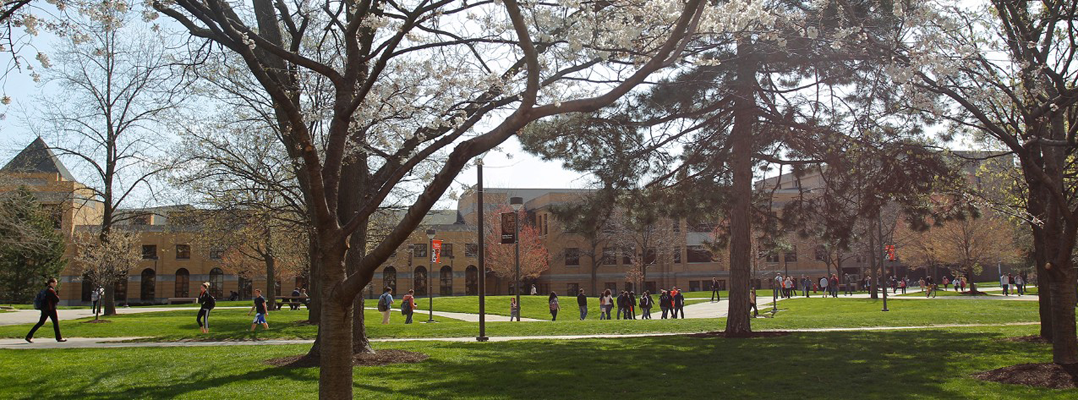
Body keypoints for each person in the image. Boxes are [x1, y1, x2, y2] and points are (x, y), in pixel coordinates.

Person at [26, 278, 65, 343]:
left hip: (44, 309)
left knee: (41, 322)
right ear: (51, 283)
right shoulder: (51, 290)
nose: (56, 284)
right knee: (55, 323)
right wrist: (57, 295)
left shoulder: (45, 290)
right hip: (51, 309)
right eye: (55, 282)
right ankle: (59, 338)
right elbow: (57, 299)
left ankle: (29, 336)